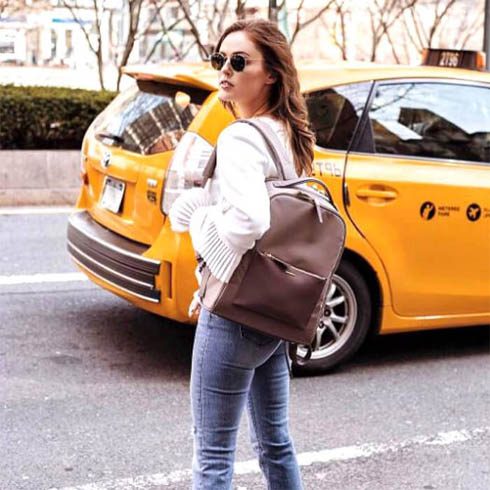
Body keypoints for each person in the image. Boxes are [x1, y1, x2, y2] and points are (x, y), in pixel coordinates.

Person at [169, 18, 315, 490]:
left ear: (270, 73)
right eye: (220, 59)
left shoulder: (240, 137)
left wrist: (199, 222)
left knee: (212, 455)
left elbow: (251, 222)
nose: (225, 70)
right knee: (275, 441)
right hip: (274, 309)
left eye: (239, 61)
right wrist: (212, 206)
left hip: (235, 312)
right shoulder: (287, 133)